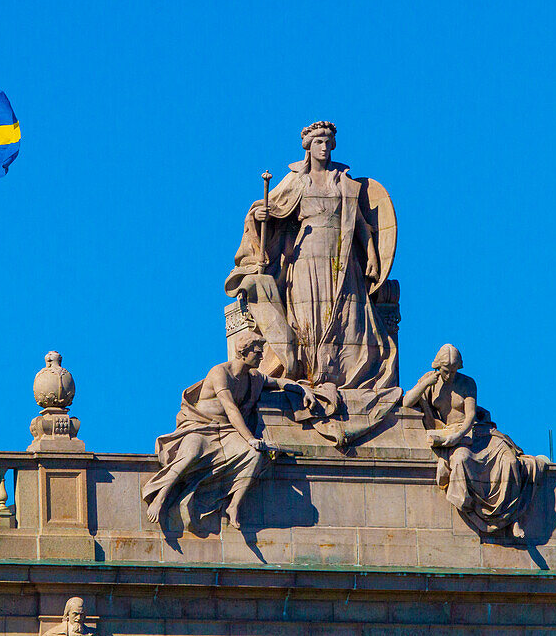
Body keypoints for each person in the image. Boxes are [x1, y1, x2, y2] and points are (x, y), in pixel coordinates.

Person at [224, 121, 398, 401]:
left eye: (329, 142)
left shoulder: (344, 182)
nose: (325, 148)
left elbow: (361, 225)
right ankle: (309, 372)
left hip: (342, 259)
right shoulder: (297, 180)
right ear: (308, 146)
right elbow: (271, 210)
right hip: (306, 258)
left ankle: (339, 372)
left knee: (347, 314)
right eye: (319, 142)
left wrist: (373, 257)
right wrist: (260, 217)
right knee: (307, 315)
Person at [142, 332, 317, 531]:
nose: (262, 357)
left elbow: (278, 382)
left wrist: (303, 389)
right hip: (200, 427)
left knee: (254, 455)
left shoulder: (254, 377)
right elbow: (230, 408)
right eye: (258, 353)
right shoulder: (220, 372)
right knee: (190, 455)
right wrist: (250, 438)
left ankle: (234, 506)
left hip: (226, 431)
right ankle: (161, 497)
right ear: (244, 352)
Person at [403, 344, 547, 538]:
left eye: (454, 371)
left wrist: (459, 435)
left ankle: (512, 517)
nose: (450, 375)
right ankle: (476, 511)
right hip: (454, 440)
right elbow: (406, 402)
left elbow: (470, 416)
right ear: (438, 367)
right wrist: (424, 385)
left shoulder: (467, 383)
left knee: (511, 462)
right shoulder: (429, 382)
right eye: (446, 371)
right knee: (461, 460)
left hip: (476, 433)